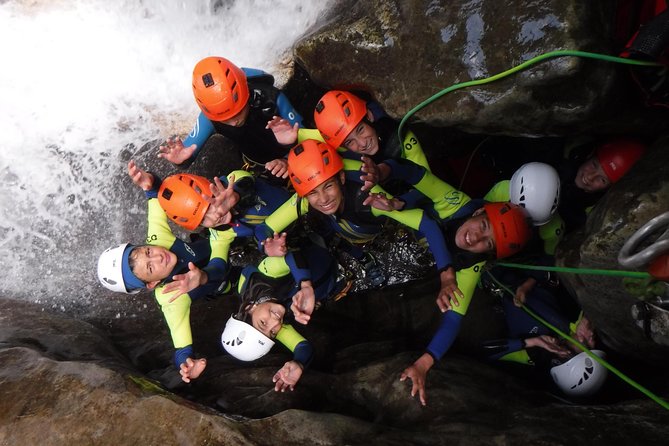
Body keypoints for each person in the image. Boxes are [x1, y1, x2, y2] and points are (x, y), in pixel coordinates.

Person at [254, 139, 460, 295]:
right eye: (313, 193)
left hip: (369, 212)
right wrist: (266, 245)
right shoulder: (305, 199)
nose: (323, 198)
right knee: (326, 226)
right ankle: (363, 257)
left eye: (328, 186)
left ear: (341, 178)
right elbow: (262, 229)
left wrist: (447, 274)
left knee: (372, 217)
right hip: (341, 220)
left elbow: (426, 223)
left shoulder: (368, 196)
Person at [97, 161, 236, 383]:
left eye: (147, 251)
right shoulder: (170, 297)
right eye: (151, 267)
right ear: (151, 284)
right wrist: (186, 364)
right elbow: (181, 347)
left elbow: (155, 195)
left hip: (222, 240)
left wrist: (148, 181)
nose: (157, 256)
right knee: (234, 279)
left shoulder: (157, 238)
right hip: (227, 278)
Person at [220, 243, 351, 392]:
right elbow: (302, 346)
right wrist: (298, 363)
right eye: (273, 333)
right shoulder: (270, 324)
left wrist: (305, 285)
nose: (275, 323)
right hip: (331, 277)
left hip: (320, 247)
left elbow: (291, 256)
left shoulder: (262, 278)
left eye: (263, 323)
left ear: (249, 307)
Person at [158, 56, 303, 177]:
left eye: (237, 112)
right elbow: (188, 152)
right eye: (225, 119)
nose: (234, 123)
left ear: (246, 94)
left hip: (292, 160)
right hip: (255, 165)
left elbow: (307, 137)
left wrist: (287, 159)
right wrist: (181, 160)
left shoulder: (270, 97)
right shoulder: (210, 117)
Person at [268, 89, 431, 194]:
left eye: (360, 130)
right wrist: (287, 148)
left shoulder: (399, 137)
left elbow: (426, 182)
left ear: (369, 116)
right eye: (349, 142)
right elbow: (309, 143)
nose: (362, 143)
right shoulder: (336, 140)